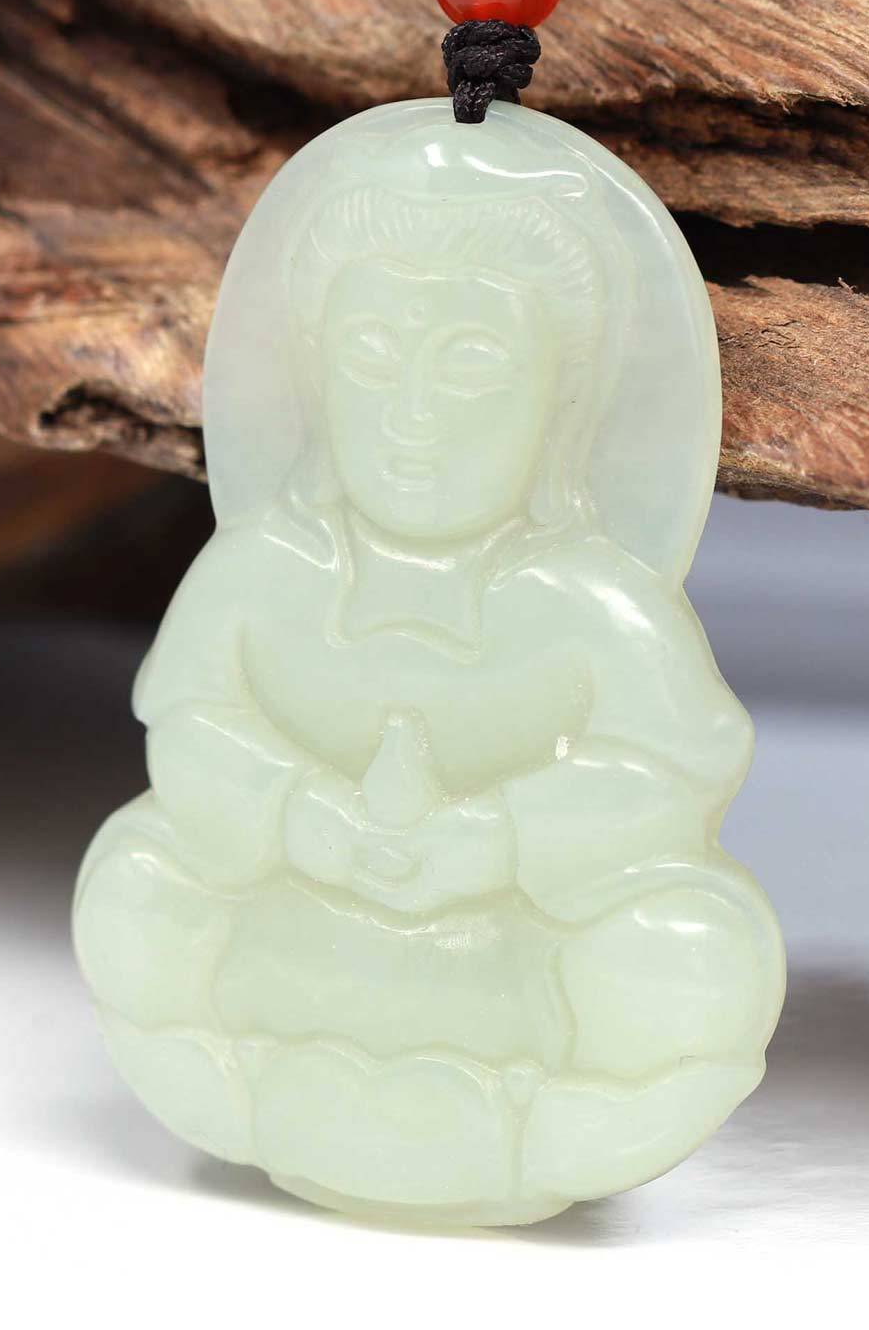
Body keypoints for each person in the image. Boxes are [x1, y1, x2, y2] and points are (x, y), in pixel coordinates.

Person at [76, 138, 783, 1225]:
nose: (411, 410)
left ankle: (552, 1124)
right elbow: (189, 729)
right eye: (369, 353)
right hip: (298, 937)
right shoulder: (265, 572)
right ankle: (238, 1080)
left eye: (469, 364)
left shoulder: (593, 605)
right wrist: (299, 815)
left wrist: (496, 839)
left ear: (560, 400)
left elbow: (668, 779)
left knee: (696, 945)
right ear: (315, 377)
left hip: (514, 970)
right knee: (138, 873)